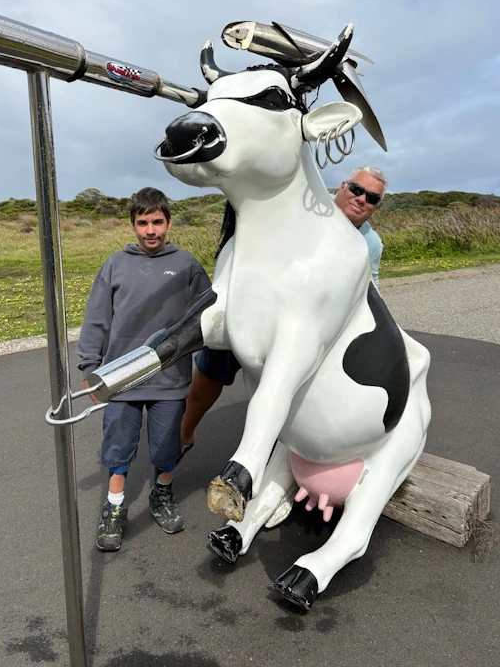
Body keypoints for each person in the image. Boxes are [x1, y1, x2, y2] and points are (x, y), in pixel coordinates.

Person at [178, 165, 388, 459]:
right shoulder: (309, 206)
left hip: (307, 323)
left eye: (372, 198)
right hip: (259, 305)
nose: (362, 199)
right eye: (357, 189)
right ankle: (183, 434)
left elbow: (370, 285)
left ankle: (276, 454)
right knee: (211, 371)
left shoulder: (370, 242)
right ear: (343, 186)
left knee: (293, 385)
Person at [77, 187, 211, 551]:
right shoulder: (115, 264)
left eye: (157, 222)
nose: (150, 230)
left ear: (169, 222)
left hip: (170, 377)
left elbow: (207, 315)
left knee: (167, 446)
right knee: (118, 447)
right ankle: (114, 507)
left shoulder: (186, 265)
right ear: (133, 225)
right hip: (121, 377)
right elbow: (97, 319)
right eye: (142, 223)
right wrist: (90, 367)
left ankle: (161, 493)